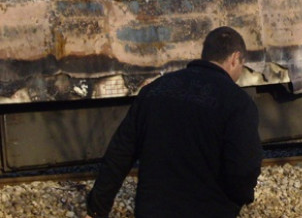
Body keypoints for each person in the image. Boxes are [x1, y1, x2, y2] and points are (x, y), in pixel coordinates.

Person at [85, 26, 263, 218]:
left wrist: (98, 206)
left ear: (205, 55)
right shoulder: (238, 103)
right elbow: (243, 167)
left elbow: (119, 154)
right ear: (235, 58)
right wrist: (241, 197)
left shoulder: (154, 91)